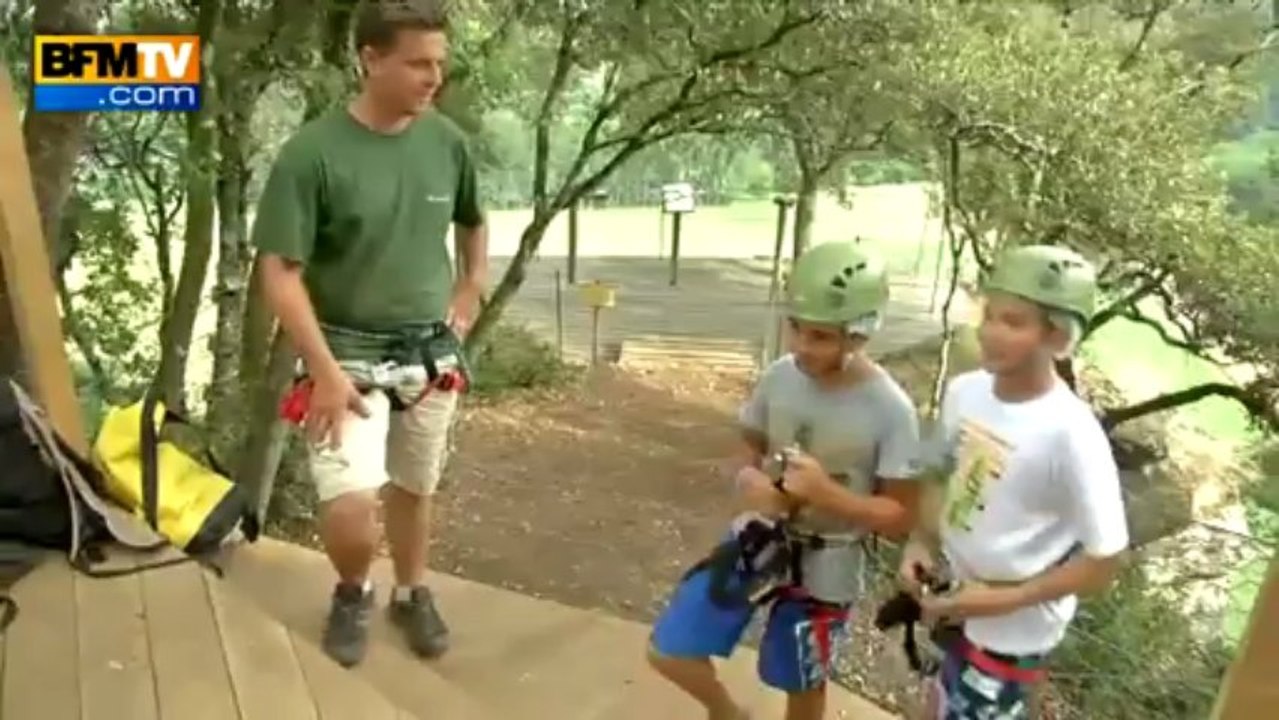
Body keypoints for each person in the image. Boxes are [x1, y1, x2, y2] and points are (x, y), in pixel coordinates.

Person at [250, 0, 486, 668]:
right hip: (341, 354)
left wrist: (470, 284)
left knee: (415, 485)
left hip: (428, 353)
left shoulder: (447, 143)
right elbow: (278, 274)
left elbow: (472, 219)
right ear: (370, 59)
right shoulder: (312, 154)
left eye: (439, 63)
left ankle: (411, 592)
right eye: (417, 63)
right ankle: (353, 589)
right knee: (350, 505)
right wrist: (324, 371)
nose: (433, 77)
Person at [647, 240, 923, 720]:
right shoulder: (779, 377)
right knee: (669, 649)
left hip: (829, 562)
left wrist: (826, 494)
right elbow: (748, 446)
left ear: (858, 335)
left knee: (799, 679)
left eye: (820, 336)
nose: (800, 346)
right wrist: (747, 478)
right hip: (760, 539)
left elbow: (899, 517)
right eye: (795, 327)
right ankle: (727, 714)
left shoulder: (891, 410)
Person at [898, 245, 1129, 719]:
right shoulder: (965, 392)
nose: (991, 332)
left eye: (1014, 322)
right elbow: (941, 472)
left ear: (1057, 336)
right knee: (937, 705)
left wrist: (1005, 599)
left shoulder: (1072, 434)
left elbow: (1105, 562)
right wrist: (920, 541)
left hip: (1012, 636)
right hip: (953, 603)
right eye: (990, 315)